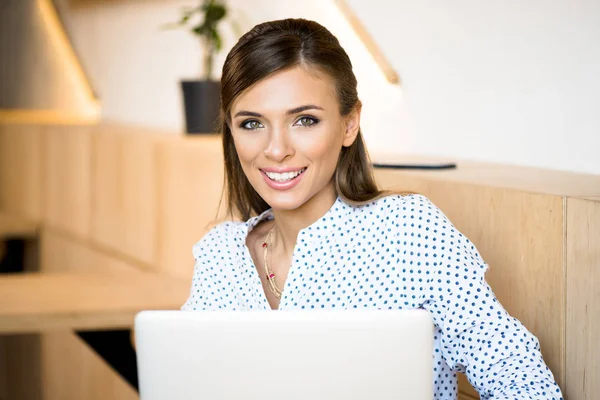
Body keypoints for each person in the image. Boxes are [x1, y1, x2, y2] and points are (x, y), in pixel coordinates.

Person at [182, 18, 563, 400]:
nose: (276, 149)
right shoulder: (220, 257)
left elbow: (523, 384)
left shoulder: (410, 232)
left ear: (349, 124)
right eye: (251, 123)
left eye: (304, 120)